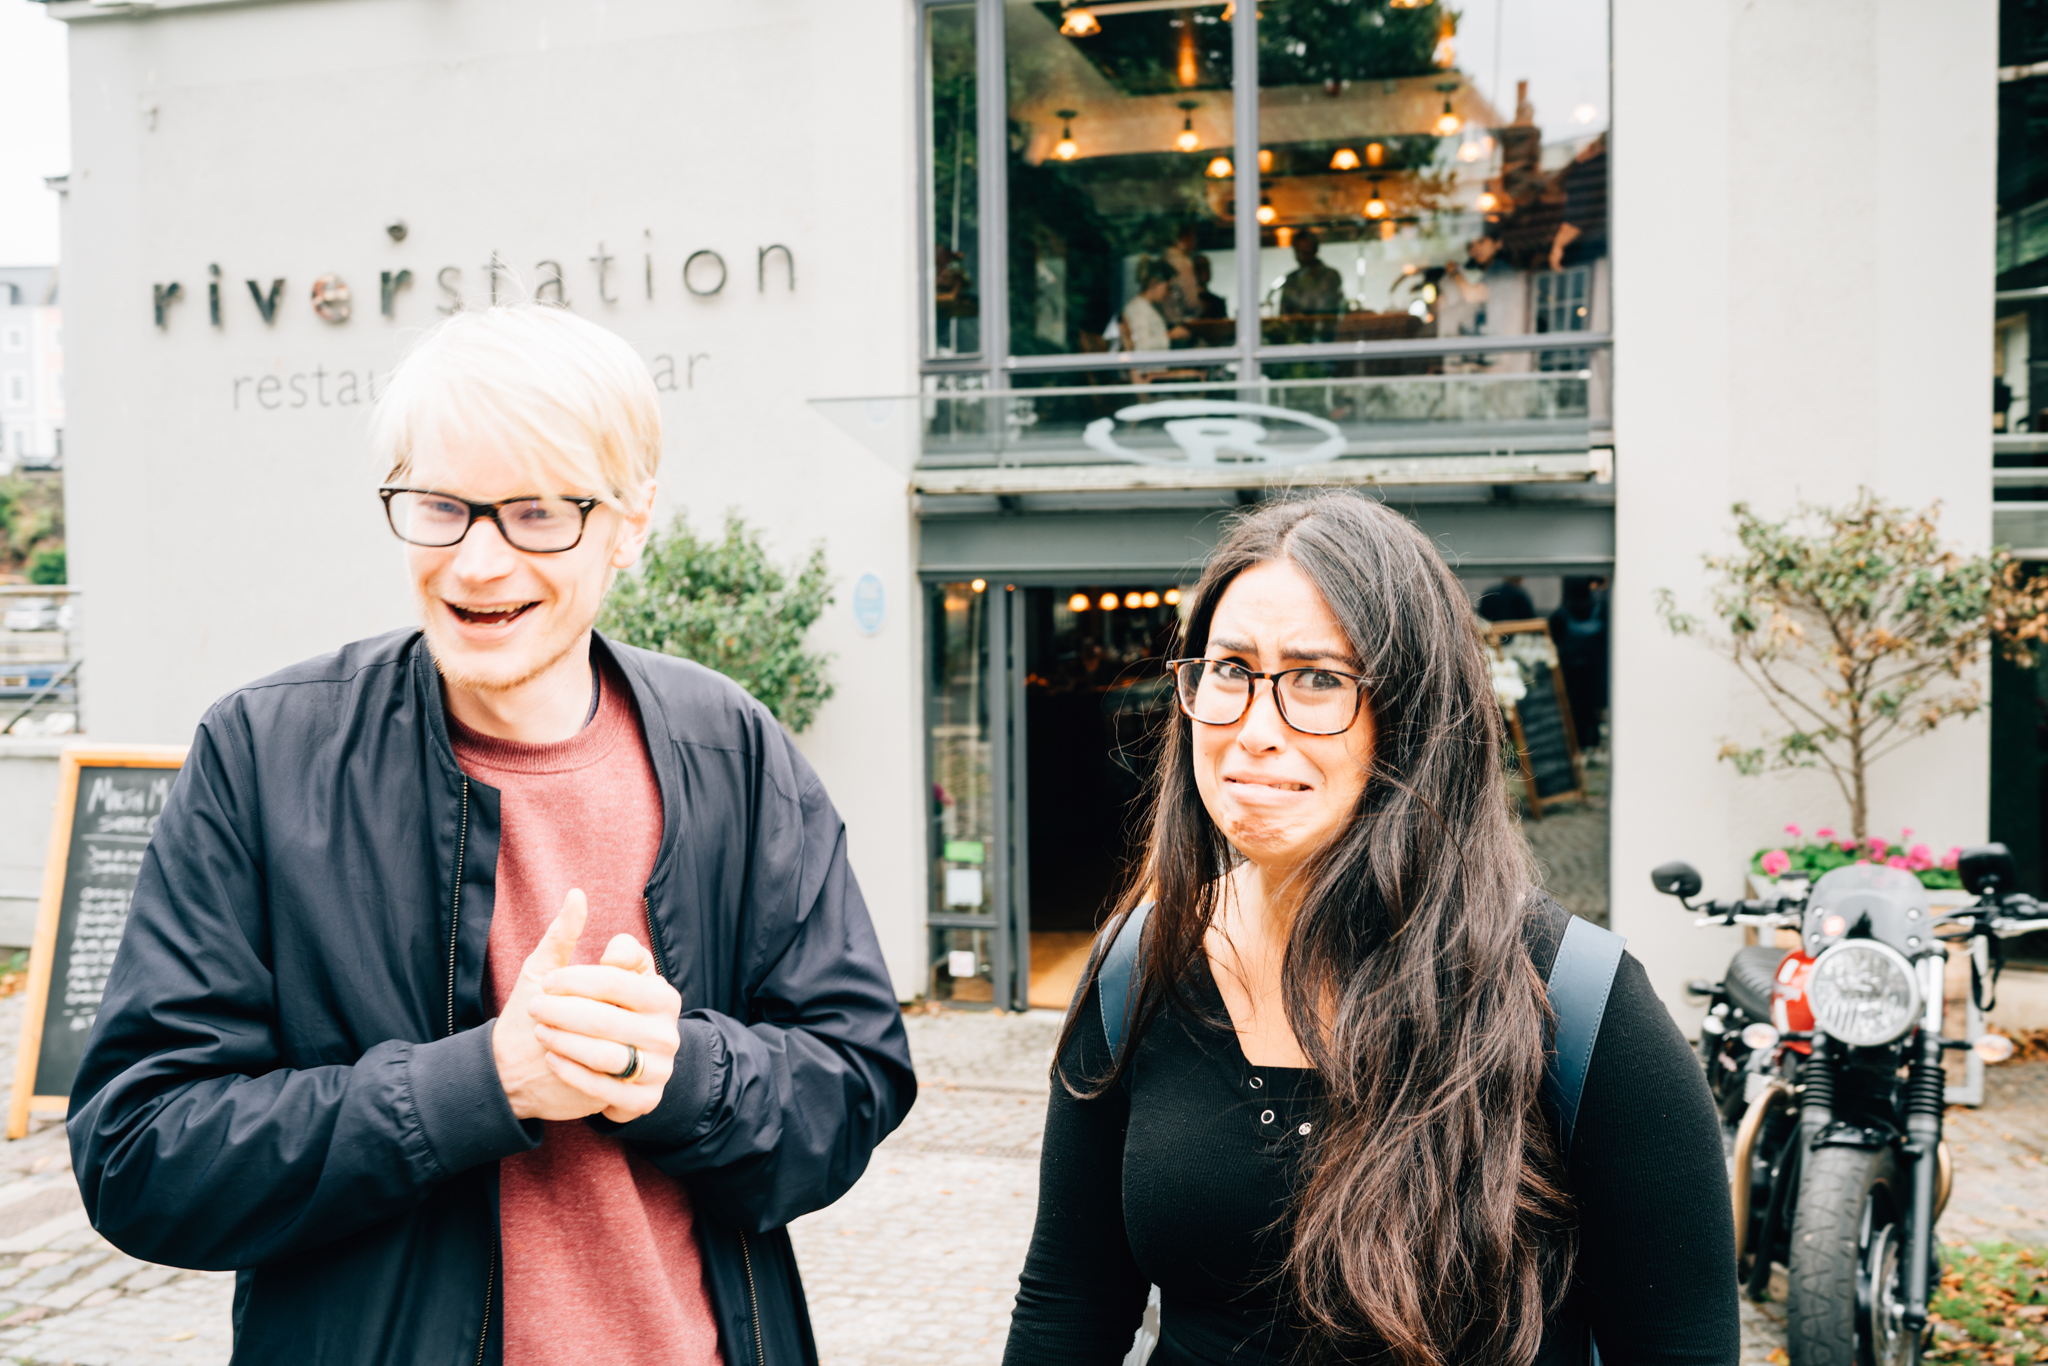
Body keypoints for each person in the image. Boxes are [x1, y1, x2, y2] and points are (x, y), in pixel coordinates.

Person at [68, 303, 916, 1366]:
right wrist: (484, 1085)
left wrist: (679, 1074)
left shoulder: (733, 752)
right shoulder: (262, 755)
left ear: (632, 517)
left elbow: (855, 1084)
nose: (476, 563)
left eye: (535, 513)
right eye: (438, 506)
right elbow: (137, 1156)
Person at [1003, 495, 1736, 1366]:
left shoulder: (1579, 1005)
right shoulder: (1140, 965)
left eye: (1317, 679)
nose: (1255, 730)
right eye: (1229, 669)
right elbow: (1068, 1303)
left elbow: (1677, 1344)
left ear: (1416, 717)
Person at [1549, 575, 1609, 751]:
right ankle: (1593, 740)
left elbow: (1554, 639)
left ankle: (1577, 741)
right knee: (1591, 707)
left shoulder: (1561, 614)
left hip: (1569, 670)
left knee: (1573, 706)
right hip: (1594, 669)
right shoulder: (1599, 612)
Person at [1277, 229, 1344, 333]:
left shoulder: (1330, 276)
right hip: (1298, 338)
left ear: (1315, 250)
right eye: (1298, 252)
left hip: (1327, 336)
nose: (1301, 257)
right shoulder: (1291, 279)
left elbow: (1337, 308)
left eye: (1305, 252)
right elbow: (1284, 313)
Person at [1123, 259, 1191, 354]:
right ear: (1154, 283)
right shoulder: (1138, 309)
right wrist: (1171, 335)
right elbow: (1141, 346)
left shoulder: (1147, 307)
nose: (1169, 293)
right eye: (1168, 287)